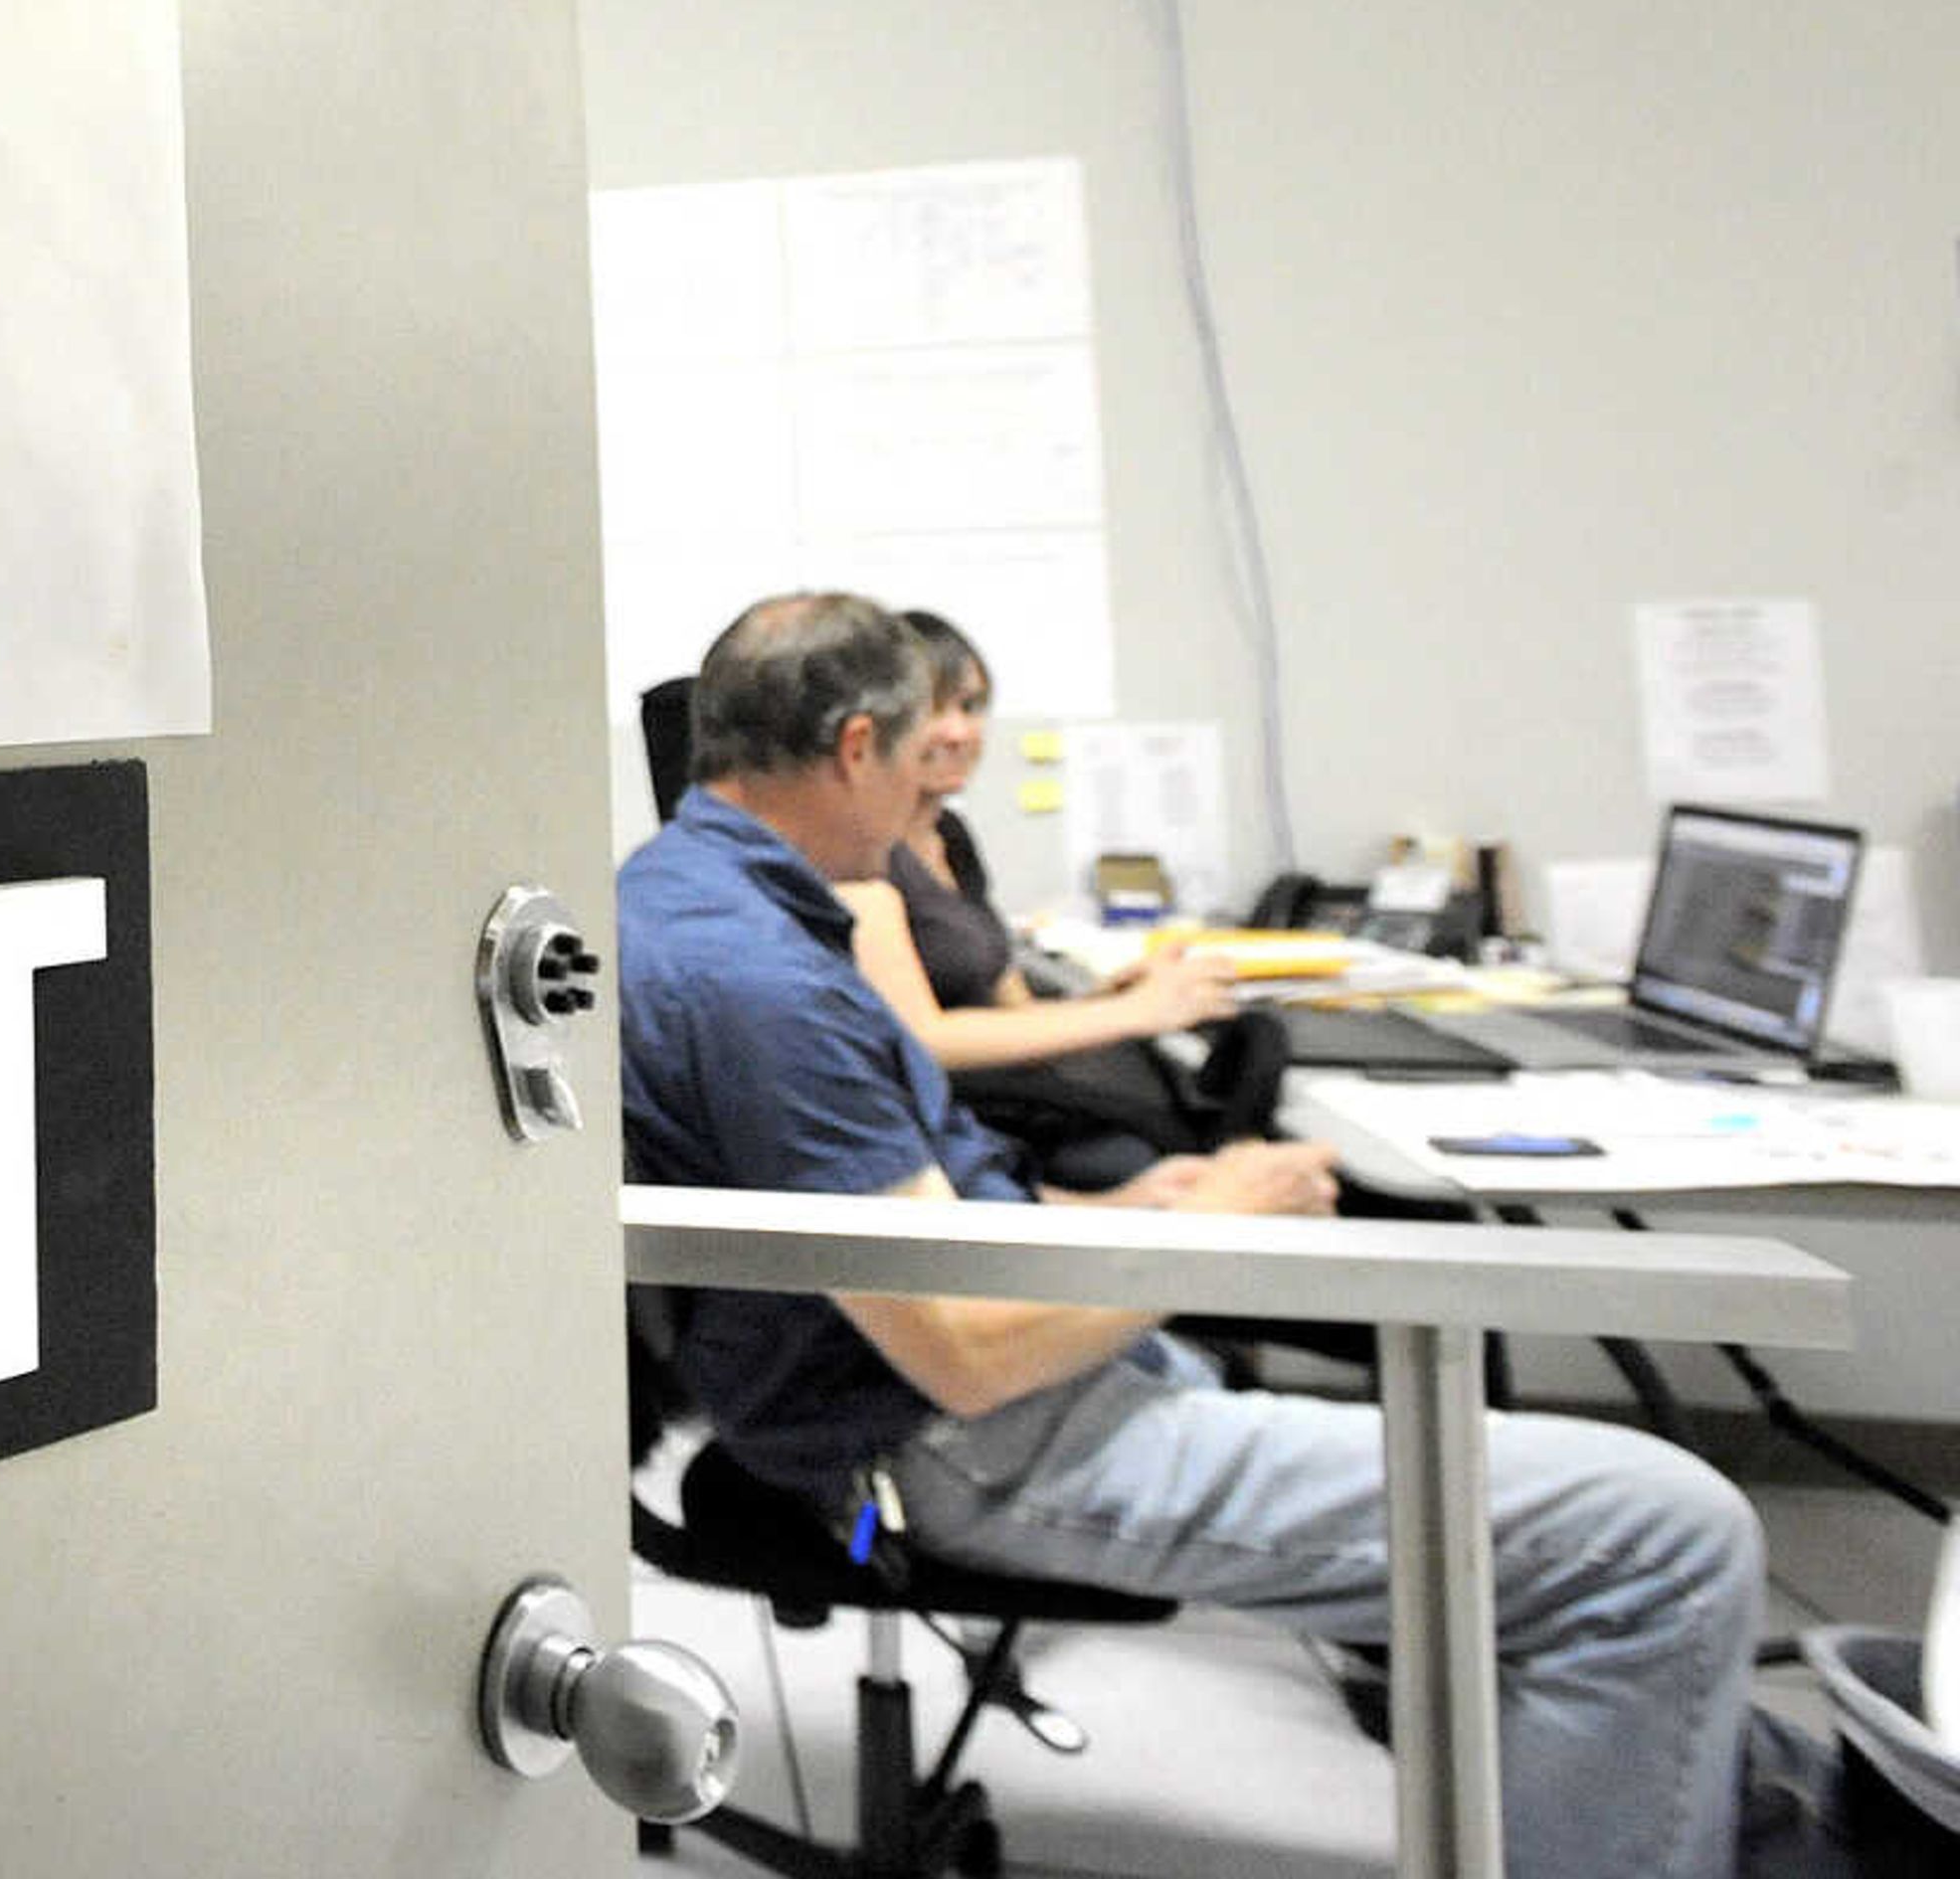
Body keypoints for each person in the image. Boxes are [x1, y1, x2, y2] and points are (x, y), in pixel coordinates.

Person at [618, 590, 1846, 1879]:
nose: (941, 780)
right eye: (926, 746)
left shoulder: (688, 898)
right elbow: (966, 1352)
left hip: (946, 1401)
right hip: (969, 1444)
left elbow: (920, 1228)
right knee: (1666, 1534)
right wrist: (1222, 1222)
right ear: (858, 746)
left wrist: (1131, 1212)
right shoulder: (768, 986)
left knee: (1625, 1596)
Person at [835, 606, 1285, 1188]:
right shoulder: (861, 856)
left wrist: (1115, 996)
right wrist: (1133, 1013)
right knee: (1153, 1155)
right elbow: (924, 1038)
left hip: (1018, 1088)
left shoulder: (950, 837)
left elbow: (1015, 1012)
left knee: (1257, 1046)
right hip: (962, 1111)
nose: (959, 732)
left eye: (971, 707)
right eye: (932, 710)